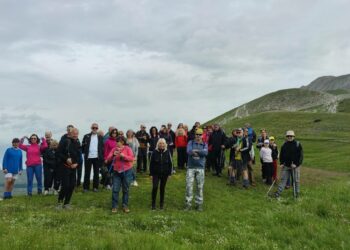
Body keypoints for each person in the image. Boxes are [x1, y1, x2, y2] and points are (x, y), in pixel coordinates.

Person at [106, 136, 135, 213]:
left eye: (118, 141)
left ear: (122, 142)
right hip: (116, 172)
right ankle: (114, 206)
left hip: (127, 171)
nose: (117, 143)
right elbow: (108, 159)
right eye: (117, 141)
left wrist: (124, 156)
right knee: (115, 189)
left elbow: (132, 158)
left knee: (125, 189)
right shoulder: (114, 149)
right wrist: (113, 155)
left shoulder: (127, 149)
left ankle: (125, 205)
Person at [56, 128, 81, 209]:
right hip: (65, 167)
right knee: (65, 185)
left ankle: (66, 203)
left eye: (77, 133)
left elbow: (79, 155)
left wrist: (77, 163)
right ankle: (59, 202)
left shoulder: (77, 142)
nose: (75, 135)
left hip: (73, 167)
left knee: (72, 185)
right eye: (74, 133)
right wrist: (66, 159)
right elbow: (58, 153)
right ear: (70, 133)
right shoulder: (64, 141)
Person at [274, 131, 303, 198]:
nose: (289, 137)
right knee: (283, 179)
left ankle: (296, 194)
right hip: (286, 166)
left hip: (295, 166)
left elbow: (301, 156)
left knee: (296, 180)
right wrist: (281, 163)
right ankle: (278, 193)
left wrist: (296, 164)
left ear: (294, 136)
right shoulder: (284, 145)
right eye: (288, 136)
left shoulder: (297, 144)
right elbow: (281, 155)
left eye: (291, 136)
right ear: (286, 137)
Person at [185, 128, 208, 211]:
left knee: (200, 187)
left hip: (200, 168)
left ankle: (199, 204)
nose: (198, 136)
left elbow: (205, 153)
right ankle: (188, 204)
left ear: (202, 136)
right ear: (195, 135)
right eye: (197, 134)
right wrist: (199, 152)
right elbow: (188, 151)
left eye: (200, 134)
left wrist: (195, 151)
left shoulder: (205, 144)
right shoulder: (190, 142)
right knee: (189, 186)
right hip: (190, 167)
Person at [150, 138, 173, 210]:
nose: (161, 145)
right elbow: (151, 164)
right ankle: (153, 204)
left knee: (162, 188)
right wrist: (151, 174)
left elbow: (170, 163)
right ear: (158, 144)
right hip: (155, 174)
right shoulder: (154, 152)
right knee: (155, 187)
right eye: (160, 143)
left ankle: (161, 204)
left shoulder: (168, 152)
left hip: (165, 174)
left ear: (165, 144)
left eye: (163, 143)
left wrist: (170, 174)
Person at [82, 123, 104, 192]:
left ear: (97, 129)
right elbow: (83, 146)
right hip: (88, 157)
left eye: (96, 128)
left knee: (96, 173)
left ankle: (95, 187)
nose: (94, 129)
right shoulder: (86, 136)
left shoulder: (100, 137)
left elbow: (102, 147)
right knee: (87, 172)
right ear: (91, 128)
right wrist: (85, 153)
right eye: (93, 128)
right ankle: (86, 187)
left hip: (97, 157)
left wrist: (101, 156)